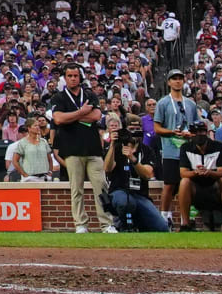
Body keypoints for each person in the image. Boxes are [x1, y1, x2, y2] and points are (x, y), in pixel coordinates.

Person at [49, 63, 115, 233]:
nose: (73, 78)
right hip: (71, 149)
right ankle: (80, 224)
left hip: (93, 148)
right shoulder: (59, 97)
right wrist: (81, 112)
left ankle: (107, 224)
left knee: (101, 186)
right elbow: (58, 120)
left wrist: (72, 116)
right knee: (76, 189)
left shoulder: (89, 94)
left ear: (80, 77)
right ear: (65, 77)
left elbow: (96, 115)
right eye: (69, 76)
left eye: (75, 75)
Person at [151, 70, 202, 217]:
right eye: (174, 79)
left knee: (188, 185)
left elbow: (196, 128)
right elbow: (157, 128)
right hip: (170, 150)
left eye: (180, 78)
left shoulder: (191, 104)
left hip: (188, 150)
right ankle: (165, 217)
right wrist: (172, 132)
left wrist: (190, 134)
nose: (177, 81)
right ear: (169, 82)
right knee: (169, 184)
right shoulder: (163, 103)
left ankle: (186, 218)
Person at [105, 132, 166, 231]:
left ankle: (139, 225)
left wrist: (133, 158)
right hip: (119, 191)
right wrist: (112, 145)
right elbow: (107, 168)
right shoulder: (117, 147)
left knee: (162, 227)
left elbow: (147, 174)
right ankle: (122, 224)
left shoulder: (146, 150)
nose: (133, 134)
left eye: (137, 130)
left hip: (140, 194)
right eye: (131, 130)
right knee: (126, 203)